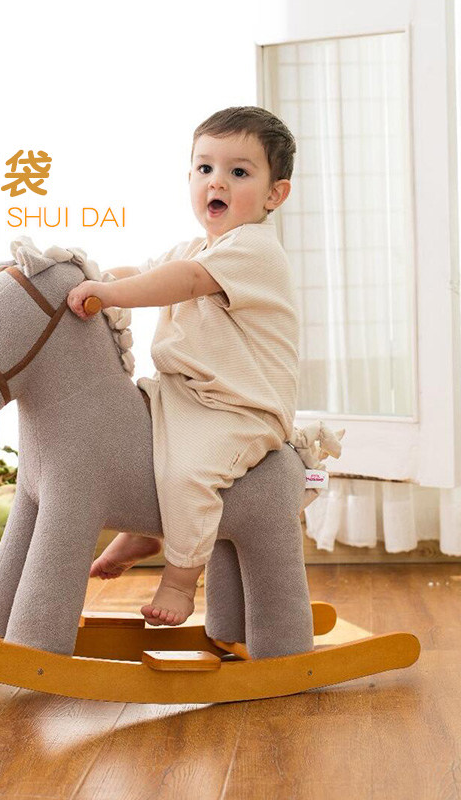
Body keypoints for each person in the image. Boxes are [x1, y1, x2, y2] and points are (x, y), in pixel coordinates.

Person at [66, 106, 297, 627]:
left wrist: (111, 294)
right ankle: (143, 531)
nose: (217, 182)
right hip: (183, 393)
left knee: (189, 471)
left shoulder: (253, 249)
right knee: (131, 437)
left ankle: (180, 577)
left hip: (239, 408)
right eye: (205, 168)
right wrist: (88, 279)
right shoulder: (194, 247)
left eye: (239, 172)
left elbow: (184, 281)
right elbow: (144, 272)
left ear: (274, 194)